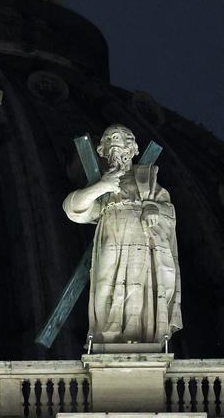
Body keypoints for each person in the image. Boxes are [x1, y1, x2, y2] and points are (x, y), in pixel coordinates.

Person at [63, 123, 182, 344]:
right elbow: (73, 209)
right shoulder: (100, 183)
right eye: (108, 139)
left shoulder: (148, 178)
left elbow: (168, 209)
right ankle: (107, 337)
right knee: (105, 286)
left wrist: (153, 208)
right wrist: (102, 186)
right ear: (102, 151)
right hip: (111, 234)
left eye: (120, 137)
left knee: (141, 287)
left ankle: (142, 336)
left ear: (133, 148)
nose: (114, 142)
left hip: (143, 238)